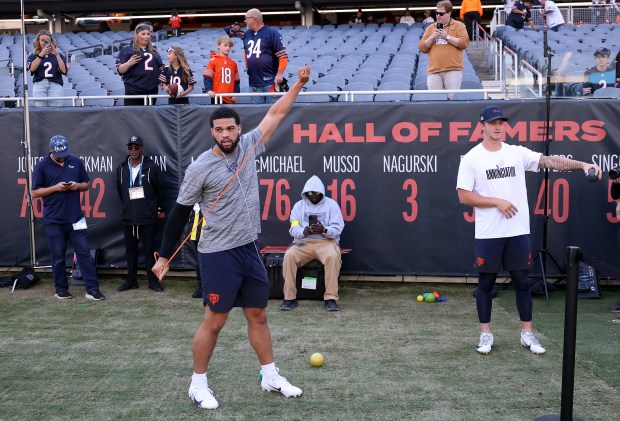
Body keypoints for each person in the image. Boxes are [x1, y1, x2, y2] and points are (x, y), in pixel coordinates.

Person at [152, 66, 311, 410]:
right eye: (219, 129)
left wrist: (297, 84)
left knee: (259, 315)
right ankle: (197, 384)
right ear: (212, 132)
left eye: (230, 128)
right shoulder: (199, 169)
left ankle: (270, 375)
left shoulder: (250, 145)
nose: (226, 134)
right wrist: (164, 257)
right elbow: (179, 213)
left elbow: (277, 112)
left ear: (239, 129)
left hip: (250, 248)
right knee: (216, 320)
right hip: (217, 254)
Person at [456, 105, 602, 355]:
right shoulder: (472, 158)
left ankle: (527, 334)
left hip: (517, 231)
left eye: (501, 122)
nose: (497, 127)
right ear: (482, 126)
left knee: (523, 282)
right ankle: (485, 334)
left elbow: (549, 161)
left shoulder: (516, 153)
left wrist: (582, 164)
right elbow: (464, 197)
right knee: (486, 285)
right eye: (492, 123)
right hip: (489, 233)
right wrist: (496, 202)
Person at [31, 135, 106, 301]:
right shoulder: (42, 165)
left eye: (64, 152)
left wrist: (76, 186)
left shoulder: (76, 162)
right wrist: (56, 188)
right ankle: (61, 290)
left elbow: (86, 185)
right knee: (58, 256)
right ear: (51, 150)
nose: (62, 156)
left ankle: (92, 289)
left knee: (84, 254)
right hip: (54, 219)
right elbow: (35, 192)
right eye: (59, 154)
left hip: (76, 217)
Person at [279, 175, 345, 312]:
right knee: (289, 256)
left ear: (322, 192)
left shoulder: (332, 205)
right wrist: (303, 231)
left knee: (333, 256)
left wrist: (324, 230)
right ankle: (289, 298)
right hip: (303, 242)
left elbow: (338, 228)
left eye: (316, 193)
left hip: (325, 241)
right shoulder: (298, 206)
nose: (313, 196)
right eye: (309, 193)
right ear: (305, 193)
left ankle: (330, 298)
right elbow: (293, 228)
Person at [115, 135, 164, 293]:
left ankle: (153, 281)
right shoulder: (122, 168)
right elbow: (120, 192)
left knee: (150, 251)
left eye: (136, 147)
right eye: (131, 147)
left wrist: (152, 209)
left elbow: (160, 191)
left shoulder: (152, 167)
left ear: (143, 149)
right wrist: (128, 208)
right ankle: (131, 280)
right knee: (130, 251)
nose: (133, 150)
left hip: (147, 218)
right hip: (128, 217)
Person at [419, 1, 470, 99]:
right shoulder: (430, 28)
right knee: (434, 102)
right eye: (436, 13)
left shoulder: (459, 25)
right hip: (434, 71)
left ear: (449, 13)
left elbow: (464, 43)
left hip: (453, 69)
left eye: (441, 13)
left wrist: (447, 37)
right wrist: (432, 37)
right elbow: (422, 48)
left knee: (452, 100)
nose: (438, 16)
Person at [242, 8, 288, 104]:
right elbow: (246, 53)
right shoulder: (246, 35)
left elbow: (283, 56)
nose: (245, 21)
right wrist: (248, 67)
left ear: (254, 18)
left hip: (270, 82)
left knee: (272, 113)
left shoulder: (272, 33)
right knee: (257, 114)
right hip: (254, 82)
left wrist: (279, 74)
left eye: (246, 18)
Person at [116, 23, 164, 106]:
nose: (146, 36)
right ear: (136, 35)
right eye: (143, 34)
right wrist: (129, 63)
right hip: (133, 89)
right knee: (133, 116)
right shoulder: (127, 49)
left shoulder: (153, 49)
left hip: (152, 89)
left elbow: (160, 67)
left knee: (149, 116)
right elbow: (120, 70)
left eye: (148, 34)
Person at [27, 30, 68, 107]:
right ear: (38, 41)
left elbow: (64, 70)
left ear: (51, 42)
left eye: (47, 41)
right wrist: (41, 54)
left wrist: (56, 54)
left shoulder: (59, 55)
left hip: (55, 84)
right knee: (40, 111)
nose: (44, 42)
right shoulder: (33, 56)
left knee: (56, 110)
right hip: (39, 84)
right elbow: (32, 69)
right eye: (42, 40)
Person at [203, 36, 240, 104]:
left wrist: (236, 93)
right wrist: (209, 90)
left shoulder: (233, 63)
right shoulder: (213, 61)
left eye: (230, 46)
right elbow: (207, 77)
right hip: (217, 97)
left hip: (230, 98)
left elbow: (237, 81)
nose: (228, 48)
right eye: (225, 45)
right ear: (218, 46)